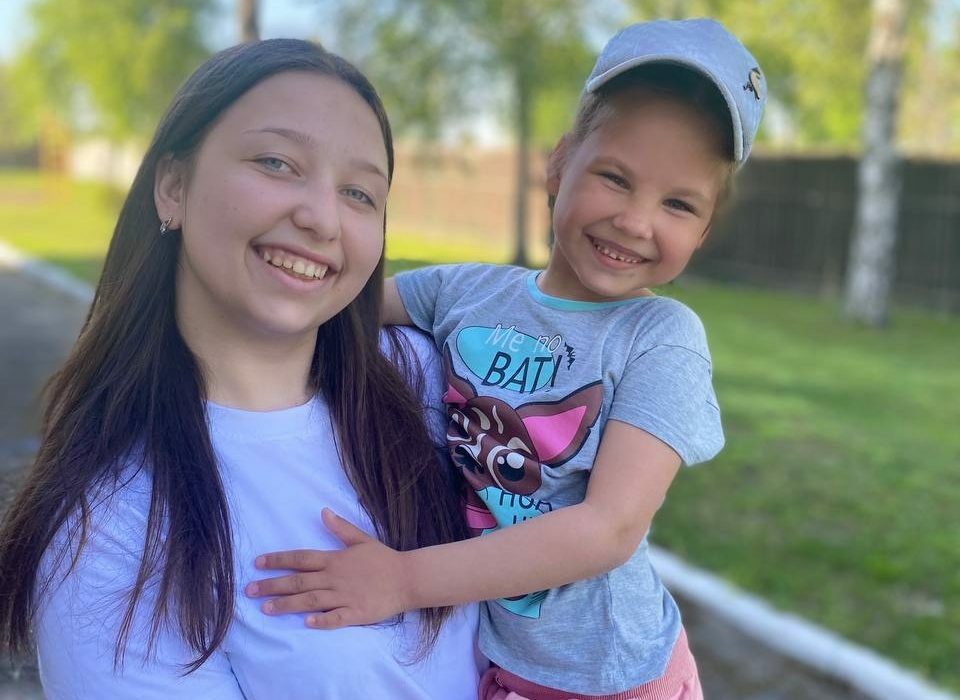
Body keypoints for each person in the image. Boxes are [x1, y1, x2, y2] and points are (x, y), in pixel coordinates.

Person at [247, 18, 767, 700]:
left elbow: (607, 529)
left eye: (678, 204)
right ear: (558, 164)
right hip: (503, 667)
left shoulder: (659, 337)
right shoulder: (465, 292)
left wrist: (402, 580)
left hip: (616, 679)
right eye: (615, 178)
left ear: (702, 231)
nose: (636, 221)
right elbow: (338, 301)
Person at [0, 39, 481, 699]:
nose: (322, 219)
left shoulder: (428, 380)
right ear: (173, 187)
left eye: (360, 193)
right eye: (276, 162)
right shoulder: (108, 533)